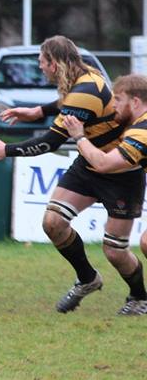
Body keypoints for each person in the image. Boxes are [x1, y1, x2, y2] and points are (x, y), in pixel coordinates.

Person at [0, 38, 138, 315]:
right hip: (89, 164)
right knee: (53, 222)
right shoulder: (83, 77)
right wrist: (38, 111)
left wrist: (6, 150)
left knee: (115, 250)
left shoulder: (85, 88)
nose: (40, 67)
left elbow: (51, 142)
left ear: (55, 63)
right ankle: (87, 278)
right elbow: (68, 102)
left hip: (120, 171)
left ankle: (139, 297)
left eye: (42, 61)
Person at [59, 74, 147, 315]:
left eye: (118, 99)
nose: (113, 105)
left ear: (135, 102)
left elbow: (104, 164)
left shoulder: (141, 132)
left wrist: (79, 136)